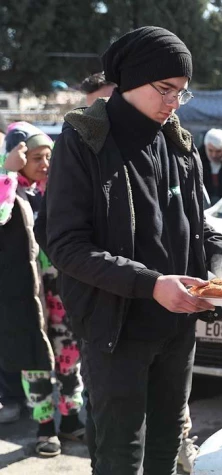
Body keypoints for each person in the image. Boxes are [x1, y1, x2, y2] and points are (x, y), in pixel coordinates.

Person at [44, 26, 222, 474]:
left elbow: (195, 225)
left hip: (177, 329)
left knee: (166, 451)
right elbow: (66, 246)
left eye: (182, 93)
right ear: (131, 80)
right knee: (119, 456)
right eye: (165, 89)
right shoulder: (84, 140)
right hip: (117, 333)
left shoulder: (178, 142)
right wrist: (151, 285)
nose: (173, 103)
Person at [0, 122, 86, 457]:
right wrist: (7, 171)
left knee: (69, 357)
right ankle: (44, 427)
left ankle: (70, 419)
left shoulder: (54, 191)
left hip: (61, 291)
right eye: (36, 157)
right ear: (19, 158)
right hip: (25, 295)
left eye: (48, 156)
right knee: (34, 361)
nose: (45, 164)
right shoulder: (10, 191)